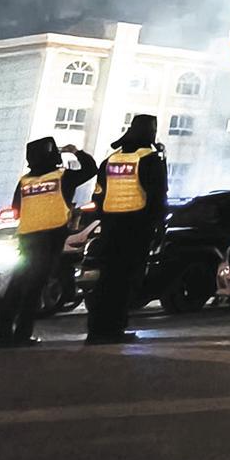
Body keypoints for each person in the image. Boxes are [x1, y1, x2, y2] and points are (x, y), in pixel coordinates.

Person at [0, 136, 97, 347]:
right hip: (50, 238)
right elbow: (90, 169)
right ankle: (22, 335)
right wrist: (76, 152)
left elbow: (17, 208)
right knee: (34, 289)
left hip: (27, 238)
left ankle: (2, 336)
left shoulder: (24, 181)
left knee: (16, 287)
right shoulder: (62, 177)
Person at [86, 113, 168, 343]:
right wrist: (158, 227)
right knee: (125, 282)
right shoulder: (151, 160)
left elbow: (98, 197)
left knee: (106, 280)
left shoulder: (110, 160)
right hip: (136, 229)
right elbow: (158, 197)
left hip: (110, 229)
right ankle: (114, 330)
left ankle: (96, 330)